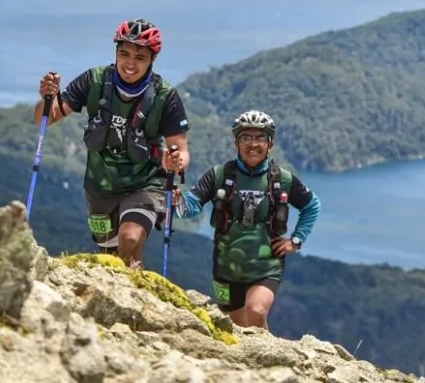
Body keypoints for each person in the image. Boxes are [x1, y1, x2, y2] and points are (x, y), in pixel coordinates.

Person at [35, 18, 190, 270]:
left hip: (146, 182)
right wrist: (46, 97)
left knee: (130, 239)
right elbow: (47, 117)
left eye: (140, 57)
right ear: (116, 52)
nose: (130, 63)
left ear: (152, 59)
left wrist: (175, 161)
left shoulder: (165, 96)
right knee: (110, 256)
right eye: (124, 54)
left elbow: (180, 149)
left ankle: (135, 303)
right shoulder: (94, 80)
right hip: (100, 186)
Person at [173, 110, 321, 331]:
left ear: (270, 144)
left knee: (256, 311)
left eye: (260, 137)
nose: (253, 144)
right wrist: (177, 202)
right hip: (226, 267)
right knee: (235, 328)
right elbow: (190, 207)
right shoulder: (219, 175)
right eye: (246, 138)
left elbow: (311, 205)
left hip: (266, 266)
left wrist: (296, 240)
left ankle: (271, 359)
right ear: (237, 143)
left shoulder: (282, 179)